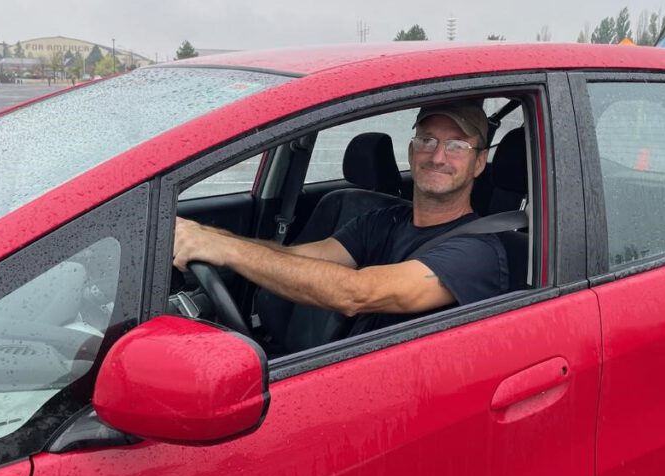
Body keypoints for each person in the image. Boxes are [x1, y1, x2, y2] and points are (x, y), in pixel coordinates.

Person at [173, 101, 509, 340]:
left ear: (479, 163)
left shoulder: (477, 252)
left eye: (456, 146)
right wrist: (213, 239)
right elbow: (295, 257)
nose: (437, 156)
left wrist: (225, 251)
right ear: (410, 151)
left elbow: (358, 293)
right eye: (426, 140)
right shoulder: (383, 220)